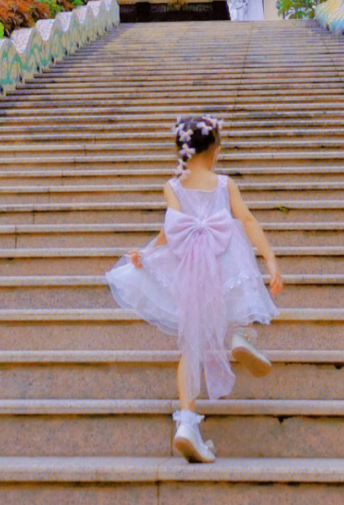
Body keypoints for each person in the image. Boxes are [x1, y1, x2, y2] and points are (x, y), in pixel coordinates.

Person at [105, 113, 283, 463]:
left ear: (183, 150)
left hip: (191, 268)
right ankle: (243, 336)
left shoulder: (172, 187)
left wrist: (147, 253)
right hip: (226, 260)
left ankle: (186, 423)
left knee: (192, 343)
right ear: (215, 151)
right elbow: (247, 220)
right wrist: (271, 260)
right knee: (244, 292)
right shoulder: (224, 184)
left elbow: (172, 229)